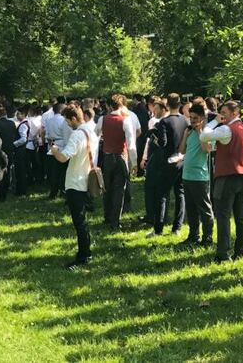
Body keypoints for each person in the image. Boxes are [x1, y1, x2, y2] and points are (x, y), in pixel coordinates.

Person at [200, 101, 243, 263]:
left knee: (223, 216)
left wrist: (214, 121)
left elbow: (204, 135)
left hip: (227, 177)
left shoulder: (226, 129)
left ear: (234, 113)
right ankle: (241, 249)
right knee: (241, 216)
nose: (221, 115)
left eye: (224, 112)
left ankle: (223, 253)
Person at [51, 105, 97, 270]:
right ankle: (85, 252)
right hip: (86, 179)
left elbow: (63, 158)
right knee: (82, 220)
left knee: (79, 222)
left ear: (73, 118)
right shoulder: (91, 131)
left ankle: (84, 255)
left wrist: (55, 151)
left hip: (75, 182)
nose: (67, 124)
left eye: (67, 121)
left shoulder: (77, 135)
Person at [146, 93, 187, 237]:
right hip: (181, 160)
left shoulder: (164, 121)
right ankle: (177, 228)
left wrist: (153, 136)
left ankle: (158, 229)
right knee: (180, 194)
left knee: (162, 195)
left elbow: (162, 143)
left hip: (167, 161)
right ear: (180, 104)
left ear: (167, 105)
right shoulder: (184, 120)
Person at [95, 95, 137, 230]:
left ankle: (107, 217)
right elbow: (131, 144)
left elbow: (96, 134)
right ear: (121, 105)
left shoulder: (102, 119)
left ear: (109, 106)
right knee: (119, 190)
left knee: (107, 188)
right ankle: (115, 221)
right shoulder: (125, 120)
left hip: (107, 157)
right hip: (120, 157)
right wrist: (134, 162)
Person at [179, 102, 214, 246]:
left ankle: (207, 237)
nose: (192, 120)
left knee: (204, 209)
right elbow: (181, 151)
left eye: (195, 118)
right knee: (191, 209)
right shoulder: (189, 132)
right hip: (187, 176)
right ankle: (193, 236)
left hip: (200, 177)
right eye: (191, 117)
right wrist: (185, 136)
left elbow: (206, 150)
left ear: (202, 118)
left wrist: (200, 132)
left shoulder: (207, 133)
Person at [0, 107, 18, 201]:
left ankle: (0, 193)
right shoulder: (12, 123)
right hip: (10, 150)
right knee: (8, 170)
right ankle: (6, 189)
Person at [13, 105, 32, 196]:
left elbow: (23, 139)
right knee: (21, 170)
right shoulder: (25, 123)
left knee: (20, 170)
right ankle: (21, 190)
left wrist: (14, 144)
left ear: (23, 114)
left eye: (18, 114)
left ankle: (21, 190)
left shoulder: (23, 125)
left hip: (21, 150)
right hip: (23, 149)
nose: (17, 116)